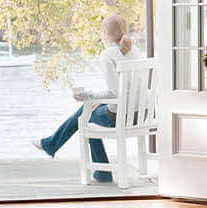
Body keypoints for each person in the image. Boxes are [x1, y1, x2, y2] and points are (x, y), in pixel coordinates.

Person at [35, 13, 137, 182]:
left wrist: (87, 95)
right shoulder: (135, 50)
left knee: (85, 114)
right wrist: (98, 100)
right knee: (91, 109)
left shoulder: (107, 55)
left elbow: (115, 93)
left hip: (122, 115)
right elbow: (122, 90)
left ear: (104, 33)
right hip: (141, 113)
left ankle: (52, 145)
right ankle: (52, 145)